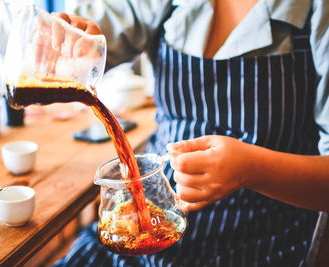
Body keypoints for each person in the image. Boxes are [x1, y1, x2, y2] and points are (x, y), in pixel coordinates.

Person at [50, 0, 329, 266]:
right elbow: (86, 45)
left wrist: (250, 169)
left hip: (263, 241)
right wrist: (75, 44)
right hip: (147, 222)